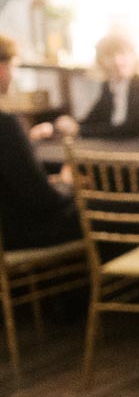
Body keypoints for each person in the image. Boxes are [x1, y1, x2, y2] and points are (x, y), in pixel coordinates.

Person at [0, 35, 81, 251]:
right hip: (20, 234)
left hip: (10, 228)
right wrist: (66, 183)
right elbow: (44, 202)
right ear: (3, 69)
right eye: (14, 67)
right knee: (107, 211)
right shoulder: (5, 124)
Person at [29, 33, 139, 141]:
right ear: (101, 61)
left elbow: (130, 129)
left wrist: (80, 131)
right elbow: (92, 119)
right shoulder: (109, 86)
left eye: (123, 54)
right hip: (114, 150)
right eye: (110, 56)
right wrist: (55, 127)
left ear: (134, 56)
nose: (118, 61)